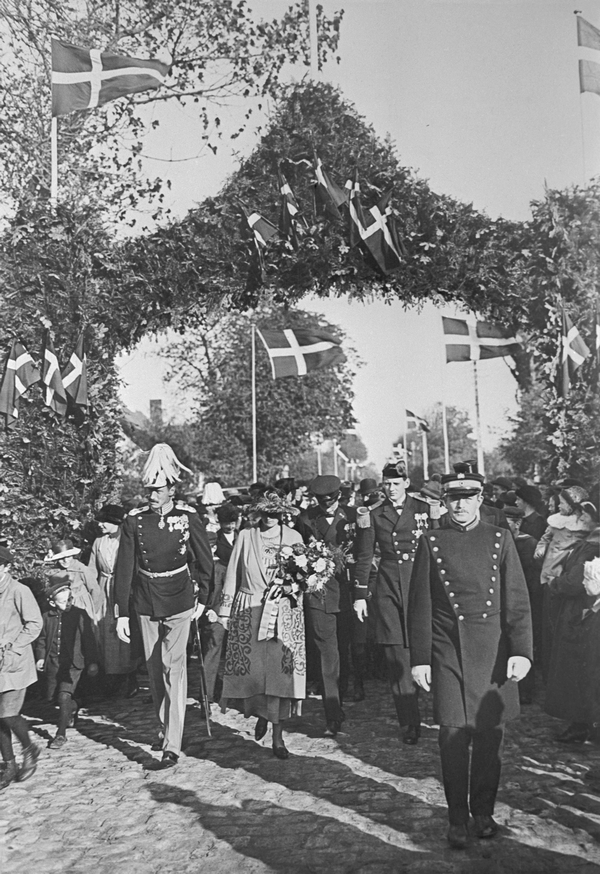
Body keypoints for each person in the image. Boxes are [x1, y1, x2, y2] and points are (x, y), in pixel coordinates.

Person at [408, 464, 532, 849]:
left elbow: (517, 600)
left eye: (466, 498)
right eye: (451, 499)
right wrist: (420, 658)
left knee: (490, 736)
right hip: (448, 649)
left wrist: (522, 651)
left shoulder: (500, 538)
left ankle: (483, 812)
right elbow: (420, 605)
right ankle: (457, 818)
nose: (459, 505)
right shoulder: (431, 540)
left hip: (493, 651)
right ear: (444, 502)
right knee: (452, 736)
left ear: (480, 500)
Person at [114, 444, 214, 769]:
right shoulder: (134, 522)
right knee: (154, 670)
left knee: (175, 668)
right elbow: (124, 569)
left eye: (157, 490)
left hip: (180, 599)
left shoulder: (188, 518)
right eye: (149, 490)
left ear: (172, 489)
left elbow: (205, 562)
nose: (151, 495)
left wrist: (204, 598)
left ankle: (172, 744)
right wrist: (120, 613)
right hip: (144, 600)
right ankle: (163, 725)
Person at [219, 490, 305, 759]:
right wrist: (224, 611)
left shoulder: (293, 538)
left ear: (282, 514)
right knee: (255, 674)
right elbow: (233, 573)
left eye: (275, 513)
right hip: (250, 610)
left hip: (282, 613)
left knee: (279, 677)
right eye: (266, 513)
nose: (270, 518)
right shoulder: (245, 536)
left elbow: (303, 574)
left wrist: (295, 588)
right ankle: (261, 714)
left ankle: (278, 738)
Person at [353, 461, 431, 745]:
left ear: (407, 483)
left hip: (422, 586)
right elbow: (364, 557)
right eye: (387, 484)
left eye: (397, 484)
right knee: (396, 656)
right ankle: (408, 720)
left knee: (425, 649)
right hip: (389, 588)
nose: (392, 489)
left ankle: (427, 706)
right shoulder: (373, 515)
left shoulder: (425, 509)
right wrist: (360, 596)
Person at [296, 475, 355, 736]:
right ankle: (332, 713)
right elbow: (297, 554)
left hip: (348, 594)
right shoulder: (306, 520)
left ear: (339, 497)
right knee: (327, 655)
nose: (326, 506)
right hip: (319, 594)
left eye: (330, 501)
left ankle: (339, 700)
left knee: (344, 650)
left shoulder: (353, 516)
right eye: (322, 502)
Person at [544, 502, 600, 743]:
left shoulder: (592, 546)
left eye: (582, 513)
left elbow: (575, 581)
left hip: (583, 616)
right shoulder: (587, 542)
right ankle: (583, 723)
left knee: (582, 672)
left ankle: (585, 725)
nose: (577, 517)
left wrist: (554, 584)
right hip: (580, 614)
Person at [35, 573, 99, 749]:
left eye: (69, 600)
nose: (67, 604)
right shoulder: (46, 617)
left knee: (64, 695)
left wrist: (92, 661)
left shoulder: (79, 614)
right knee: (54, 698)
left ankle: (60, 734)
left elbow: (88, 639)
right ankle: (74, 706)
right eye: (63, 602)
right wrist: (40, 658)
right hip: (54, 663)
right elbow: (41, 639)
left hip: (73, 663)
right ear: (52, 603)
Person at [0, 546, 43, 789]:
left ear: (6, 567)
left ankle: (29, 749)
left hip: (14, 662)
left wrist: (15, 646)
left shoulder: (19, 591)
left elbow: (34, 623)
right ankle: (9, 765)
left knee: (7, 713)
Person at [88, 504, 139, 697]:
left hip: (123, 588)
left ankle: (129, 677)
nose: (100, 525)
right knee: (105, 633)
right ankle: (110, 680)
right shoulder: (98, 542)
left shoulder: (126, 539)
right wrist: (91, 593)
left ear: (115, 522)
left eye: (104, 521)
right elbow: (92, 569)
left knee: (124, 634)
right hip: (103, 588)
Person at [200, 502, 240, 706]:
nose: (230, 526)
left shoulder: (244, 537)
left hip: (241, 595)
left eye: (233, 522)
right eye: (226, 522)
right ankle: (207, 691)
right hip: (218, 595)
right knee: (214, 643)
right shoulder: (213, 539)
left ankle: (239, 691)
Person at [43, 538, 102, 623]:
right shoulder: (54, 573)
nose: (65, 560)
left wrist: (93, 609)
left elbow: (95, 590)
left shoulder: (81, 569)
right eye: (61, 558)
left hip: (81, 604)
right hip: (63, 606)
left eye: (68, 557)